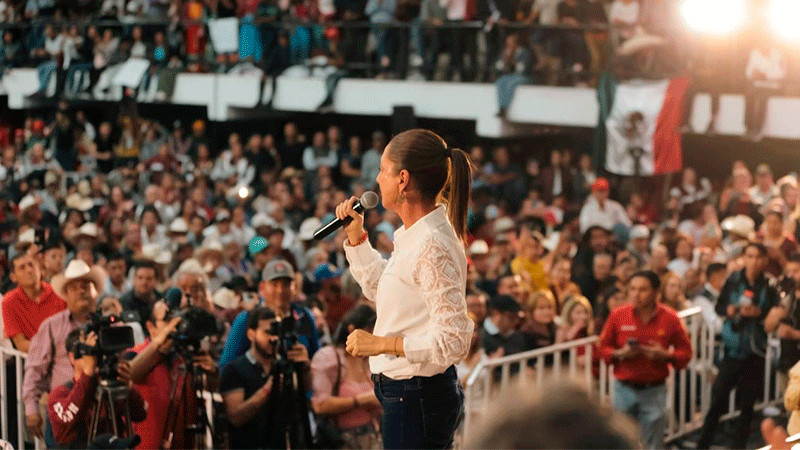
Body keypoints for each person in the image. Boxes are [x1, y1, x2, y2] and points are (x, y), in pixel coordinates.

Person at [336, 129, 473, 449]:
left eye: (383, 170)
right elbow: (383, 289)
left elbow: (453, 339)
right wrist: (357, 238)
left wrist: (382, 344)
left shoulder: (431, 244)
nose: (377, 179)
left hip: (416, 396)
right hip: (408, 394)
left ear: (402, 179)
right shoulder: (418, 235)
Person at [698, 243, 780, 449]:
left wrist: (758, 314)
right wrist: (734, 310)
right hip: (733, 349)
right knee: (717, 402)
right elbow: (720, 307)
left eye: (757, 257)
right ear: (744, 257)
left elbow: (773, 314)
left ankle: (738, 446)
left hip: (756, 351)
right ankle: (703, 444)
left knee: (747, 406)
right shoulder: (733, 281)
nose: (752, 261)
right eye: (749, 256)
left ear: (764, 260)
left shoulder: (768, 286)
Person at [599, 270, 692, 449]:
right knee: (620, 442)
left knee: (654, 445)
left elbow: (686, 353)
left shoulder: (670, 318)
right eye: (632, 289)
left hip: (654, 389)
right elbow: (602, 349)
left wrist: (665, 355)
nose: (636, 294)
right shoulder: (618, 315)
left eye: (642, 289)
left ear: (656, 292)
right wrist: (620, 354)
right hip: (623, 388)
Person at [23, 259, 105, 445]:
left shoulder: (109, 325)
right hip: (64, 409)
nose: (81, 290)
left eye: (86, 285)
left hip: (103, 409)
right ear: (65, 294)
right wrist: (31, 409)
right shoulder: (51, 326)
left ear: (95, 290)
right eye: (74, 287)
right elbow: (35, 368)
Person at [219, 306, 312, 449]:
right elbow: (235, 417)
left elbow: (303, 392)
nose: (273, 338)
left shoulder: (284, 365)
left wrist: (305, 368)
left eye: (277, 332)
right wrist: (267, 390)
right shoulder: (234, 370)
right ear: (251, 334)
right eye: (268, 332)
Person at [126, 300, 210, 450]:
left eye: (177, 319)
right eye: (167, 319)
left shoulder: (185, 356)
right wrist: (159, 346)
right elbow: (130, 375)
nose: (174, 325)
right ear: (150, 327)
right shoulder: (136, 353)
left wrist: (212, 373)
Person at [47, 329, 146, 447]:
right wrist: (88, 373)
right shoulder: (60, 394)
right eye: (90, 351)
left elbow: (140, 414)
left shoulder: (108, 387)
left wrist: (128, 387)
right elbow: (66, 422)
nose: (96, 357)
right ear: (72, 357)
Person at [219, 259, 319, 369]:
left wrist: (306, 364)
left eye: (286, 284)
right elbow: (226, 367)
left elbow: (317, 361)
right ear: (262, 287)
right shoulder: (247, 319)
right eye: (274, 284)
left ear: (294, 287)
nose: (280, 290)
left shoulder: (304, 317)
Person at [311, 304, 382, 448]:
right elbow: (320, 405)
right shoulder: (329, 357)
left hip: (371, 438)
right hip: (340, 440)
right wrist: (361, 400)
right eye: (370, 331)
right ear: (353, 330)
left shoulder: (369, 361)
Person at [2, 252, 65, 352]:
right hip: (36, 360)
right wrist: (53, 348)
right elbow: (22, 345)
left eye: (31, 265)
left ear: (40, 269)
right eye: (22, 267)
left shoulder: (58, 291)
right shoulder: (9, 301)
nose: (29, 270)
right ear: (13, 277)